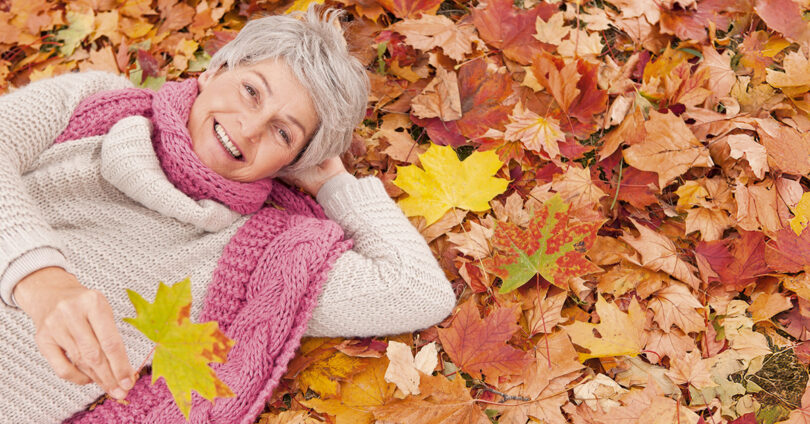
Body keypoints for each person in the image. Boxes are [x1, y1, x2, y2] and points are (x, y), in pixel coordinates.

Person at [0, 7, 456, 423]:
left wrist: (333, 184)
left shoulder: (258, 261)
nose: (250, 127)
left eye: (283, 132)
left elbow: (414, 289)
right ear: (215, 70)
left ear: (291, 165)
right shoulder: (93, 103)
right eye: (251, 91)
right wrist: (40, 280)